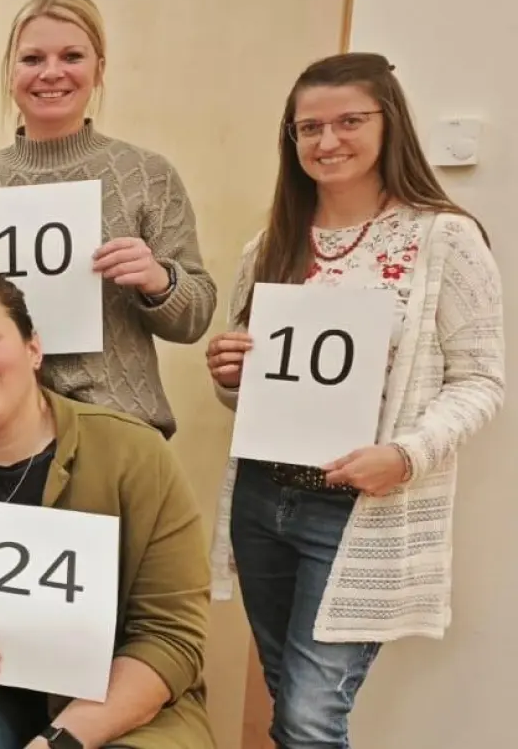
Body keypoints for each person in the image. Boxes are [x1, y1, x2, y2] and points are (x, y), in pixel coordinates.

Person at [203, 52, 504, 748]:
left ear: (388, 124)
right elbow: (256, 391)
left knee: (310, 717)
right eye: (309, 128)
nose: (327, 141)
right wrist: (228, 374)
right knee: (290, 698)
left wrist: (405, 455)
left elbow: (482, 379)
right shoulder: (269, 245)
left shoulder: (443, 239)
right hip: (262, 497)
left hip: (359, 510)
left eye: (348, 122)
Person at [0, 273, 212, 749]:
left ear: (33, 348)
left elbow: (170, 634)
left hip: (112, 700)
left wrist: (62, 741)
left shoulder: (135, 454)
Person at [0, 0, 215, 437]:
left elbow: (196, 318)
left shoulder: (147, 175)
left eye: (72, 56)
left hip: (115, 429)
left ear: (99, 70)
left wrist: (158, 280)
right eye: (32, 59)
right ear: (10, 72)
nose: (51, 73)